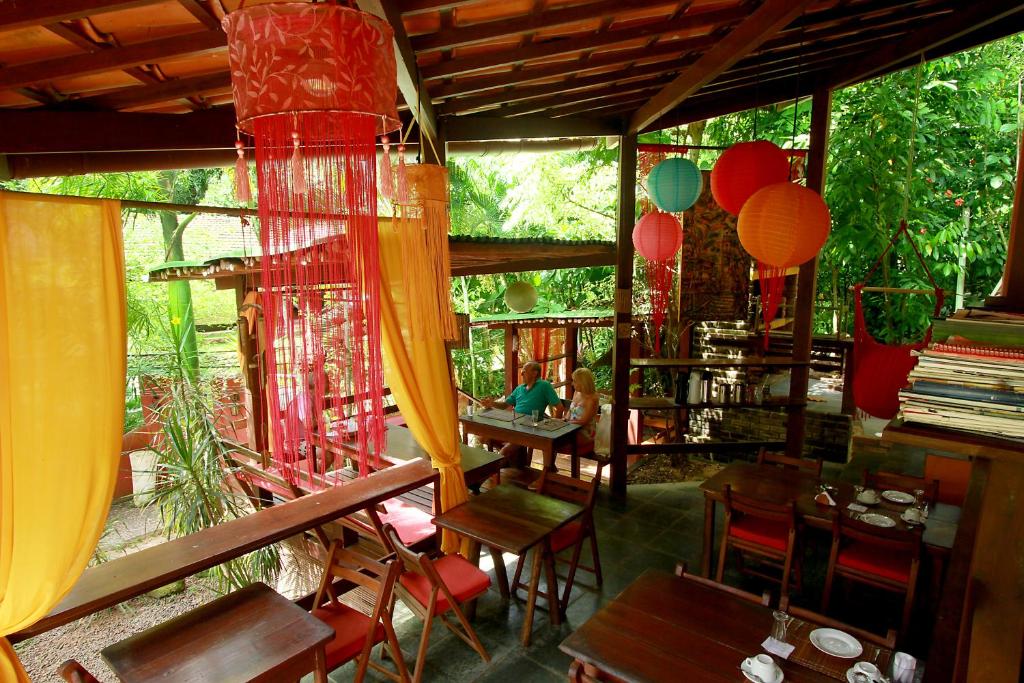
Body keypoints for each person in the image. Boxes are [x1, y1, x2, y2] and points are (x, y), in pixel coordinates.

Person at [483, 361, 562, 467]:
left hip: (529, 429)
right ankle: (513, 460)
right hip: (514, 425)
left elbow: (560, 408)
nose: (521, 374)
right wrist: (492, 403)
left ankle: (490, 474)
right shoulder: (520, 388)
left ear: (534, 373)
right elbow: (505, 405)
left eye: (524, 371)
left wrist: (554, 428)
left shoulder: (544, 386)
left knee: (505, 450)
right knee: (483, 437)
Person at [566, 367, 599, 453]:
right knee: (551, 440)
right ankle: (549, 466)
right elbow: (570, 411)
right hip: (571, 428)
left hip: (585, 432)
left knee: (556, 441)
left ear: (583, 382)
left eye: (575, 381)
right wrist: (564, 419)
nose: (572, 384)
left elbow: (584, 421)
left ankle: (549, 466)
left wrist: (566, 423)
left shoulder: (592, 398)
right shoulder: (576, 393)